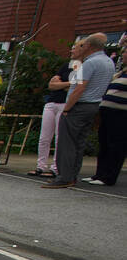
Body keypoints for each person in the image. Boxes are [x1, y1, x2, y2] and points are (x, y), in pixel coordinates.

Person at [44, 34, 114, 189]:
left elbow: (80, 88)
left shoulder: (90, 63)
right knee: (78, 143)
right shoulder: (108, 62)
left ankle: (64, 177)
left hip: (80, 106)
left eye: (82, 45)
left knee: (67, 142)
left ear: (88, 46)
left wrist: (67, 108)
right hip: (94, 105)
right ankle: (72, 176)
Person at [31, 53, 74, 177]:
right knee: (44, 137)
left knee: (59, 137)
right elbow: (51, 85)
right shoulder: (66, 66)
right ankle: (40, 166)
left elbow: (75, 86)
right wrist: (67, 83)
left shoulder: (82, 67)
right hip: (51, 103)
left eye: (75, 49)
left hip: (64, 104)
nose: (72, 52)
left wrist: (61, 85)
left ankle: (55, 168)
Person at [87, 55, 127, 186]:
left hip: (121, 113)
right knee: (104, 143)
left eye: (126, 52)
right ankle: (99, 174)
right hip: (108, 112)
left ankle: (109, 177)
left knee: (116, 145)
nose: (124, 54)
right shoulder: (121, 73)